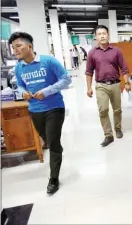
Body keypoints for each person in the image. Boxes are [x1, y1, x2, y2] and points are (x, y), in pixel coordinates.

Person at [9, 31, 72, 195]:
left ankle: (53, 179)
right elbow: (20, 86)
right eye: (13, 48)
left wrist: (47, 91)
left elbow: (66, 79)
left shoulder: (48, 61)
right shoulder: (19, 68)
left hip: (54, 108)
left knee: (53, 142)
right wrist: (22, 92)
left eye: (18, 46)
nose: (15, 50)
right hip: (34, 110)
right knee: (48, 141)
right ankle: (55, 146)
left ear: (29, 46)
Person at [85, 25, 130, 147]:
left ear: (108, 34)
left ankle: (118, 128)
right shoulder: (92, 53)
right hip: (101, 85)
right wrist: (88, 87)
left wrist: (126, 83)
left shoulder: (116, 51)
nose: (102, 36)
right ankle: (108, 135)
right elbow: (89, 71)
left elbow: (124, 69)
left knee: (117, 109)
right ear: (96, 37)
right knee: (103, 110)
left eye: (104, 33)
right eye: (99, 34)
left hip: (115, 84)